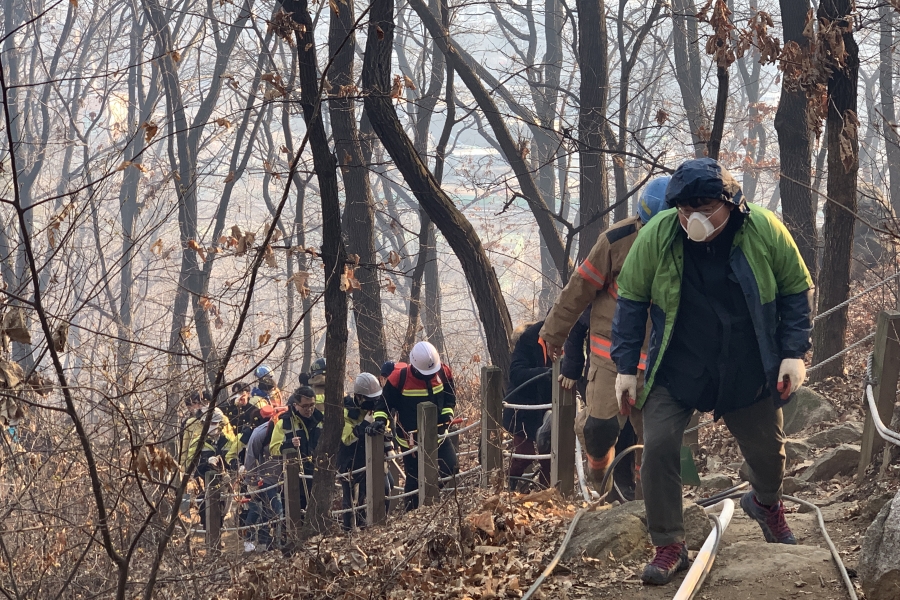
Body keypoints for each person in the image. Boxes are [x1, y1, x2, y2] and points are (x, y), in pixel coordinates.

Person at [610, 158, 812, 585]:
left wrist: (794, 353)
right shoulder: (659, 235)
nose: (692, 218)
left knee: (769, 454)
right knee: (660, 447)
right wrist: (626, 367)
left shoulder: (765, 229)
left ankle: (766, 503)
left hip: (748, 364)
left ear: (730, 202)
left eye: (703, 207)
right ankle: (669, 542)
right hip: (679, 365)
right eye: (684, 209)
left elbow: (795, 289)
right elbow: (630, 300)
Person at [540, 175, 670, 493]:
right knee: (599, 429)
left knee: (656, 439)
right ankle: (603, 480)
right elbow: (580, 288)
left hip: (659, 357)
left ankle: (648, 503)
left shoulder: (685, 245)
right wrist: (553, 333)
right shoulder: (617, 240)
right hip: (609, 354)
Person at [373, 341, 458, 510]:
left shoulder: (443, 371)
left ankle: (429, 497)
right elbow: (384, 406)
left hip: (438, 435)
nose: (429, 376)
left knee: (451, 466)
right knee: (414, 480)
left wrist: (447, 415)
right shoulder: (399, 379)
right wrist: (380, 421)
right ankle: (411, 514)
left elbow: (450, 398)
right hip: (410, 441)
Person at [338, 373, 394, 530]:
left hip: (374, 457)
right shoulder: (346, 411)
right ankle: (350, 530)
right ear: (359, 397)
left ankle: (380, 523)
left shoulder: (377, 408)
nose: (372, 405)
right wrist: (364, 425)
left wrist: (387, 444)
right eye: (369, 401)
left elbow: (387, 427)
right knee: (352, 499)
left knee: (387, 486)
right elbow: (347, 438)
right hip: (350, 461)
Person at [503, 321, 552, 491]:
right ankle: (508, 483)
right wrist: (543, 373)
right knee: (525, 455)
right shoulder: (528, 341)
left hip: (548, 408)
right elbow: (516, 373)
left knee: (550, 456)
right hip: (522, 410)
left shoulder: (568, 341)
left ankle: (546, 493)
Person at [179, 390, 236, 529]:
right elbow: (188, 451)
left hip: (223, 478)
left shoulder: (227, 439)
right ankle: (208, 533)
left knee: (222, 507)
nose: (213, 426)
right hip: (203, 479)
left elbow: (233, 455)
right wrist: (185, 468)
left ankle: (218, 531)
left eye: (216, 423)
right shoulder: (195, 435)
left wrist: (231, 467)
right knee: (204, 506)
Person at [270, 386, 323, 512]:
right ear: (295, 405)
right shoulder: (284, 423)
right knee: (294, 515)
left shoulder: (321, 419)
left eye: (312, 405)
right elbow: (273, 449)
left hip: (318, 475)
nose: (309, 409)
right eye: (305, 406)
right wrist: (289, 444)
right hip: (294, 479)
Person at [244, 404, 288, 552]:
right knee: (274, 510)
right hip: (267, 478)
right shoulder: (260, 434)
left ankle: (270, 542)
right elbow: (250, 458)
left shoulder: (293, 427)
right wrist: (252, 483)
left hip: (288, 477)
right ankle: (263, 543)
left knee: (271, 513)